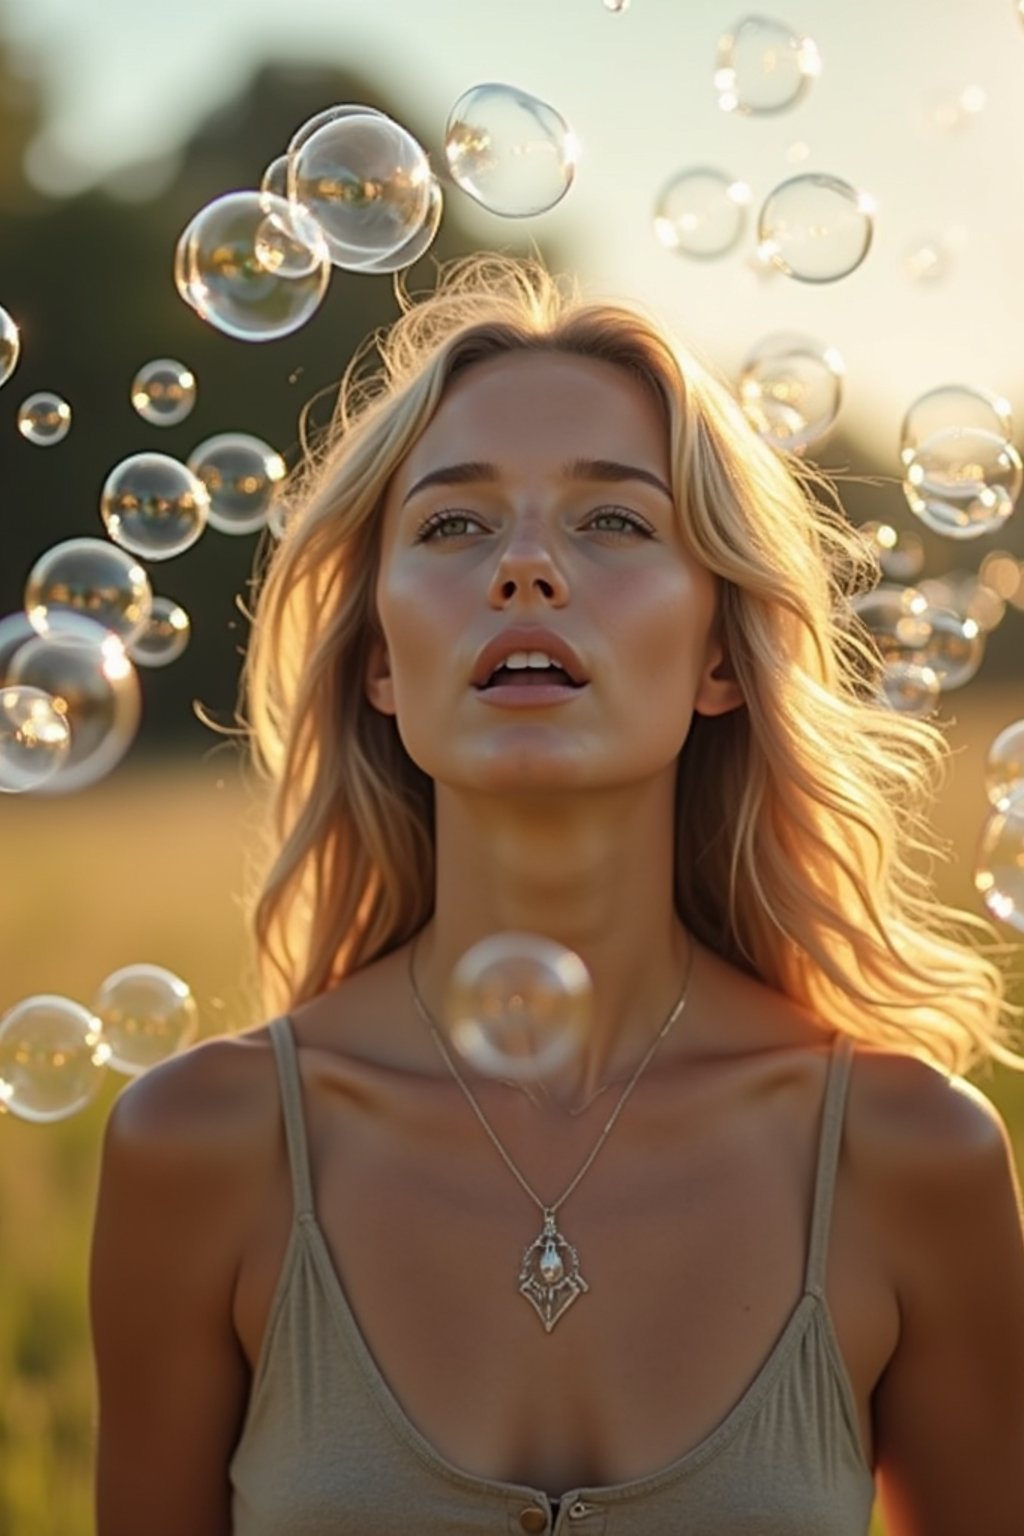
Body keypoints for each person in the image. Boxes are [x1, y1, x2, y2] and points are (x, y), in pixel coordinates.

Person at [89, 253, 1024, 1536]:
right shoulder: (201, 1147)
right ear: (376, 662)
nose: (524, 569)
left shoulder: (911, 1158)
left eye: (615, 521)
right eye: (454, 525)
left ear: (717, 655)